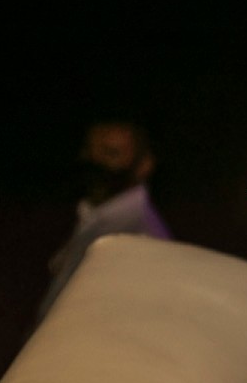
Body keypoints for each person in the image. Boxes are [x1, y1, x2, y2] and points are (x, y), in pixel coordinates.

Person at [45, 115, 169, 308]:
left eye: (111, 154)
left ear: (145, 164)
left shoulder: (140, 234)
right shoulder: (94, 217)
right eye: (89, 152)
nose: (95, 162)